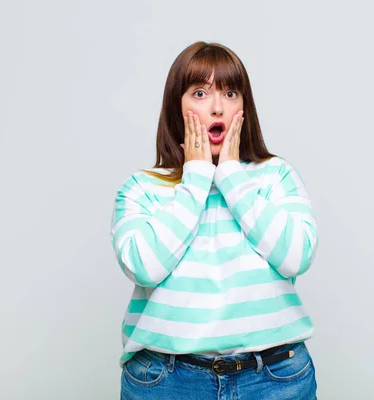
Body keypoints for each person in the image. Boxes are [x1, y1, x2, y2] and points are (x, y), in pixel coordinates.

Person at [110, 41, 319, 399]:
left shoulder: (275, 177)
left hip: (274, 380)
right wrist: (195, 176)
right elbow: (145, 267)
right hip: (167, 381)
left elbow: (296, 257)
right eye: (201, 92)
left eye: (231, 92)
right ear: (177, 105)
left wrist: (232, 176)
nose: (218, 107)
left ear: (244, 107)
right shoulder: (142, 188)